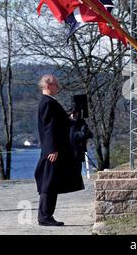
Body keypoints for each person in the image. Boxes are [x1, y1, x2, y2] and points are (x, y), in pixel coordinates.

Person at [35, 75, 84, 226]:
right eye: (56, 84)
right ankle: (45, 217)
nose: (58, 87)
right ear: (48, 86)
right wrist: (52, 149)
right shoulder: (48, 103)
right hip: (53, 150)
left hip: (54, 149)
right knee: (49, 183)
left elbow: (57, 124)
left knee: (51, 182)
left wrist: (70, 118)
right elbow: (49, 128)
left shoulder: (48, 102)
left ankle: (46, 216)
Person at [69, 106, 93, 175]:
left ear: (78, 113)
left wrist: (75, 135)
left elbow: (86, 134)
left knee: (77, 170)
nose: (73, 115)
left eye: (75, 113)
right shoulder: (67, 123)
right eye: (72, 113)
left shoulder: (81, 122)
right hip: (68, 151)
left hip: (78, 150)